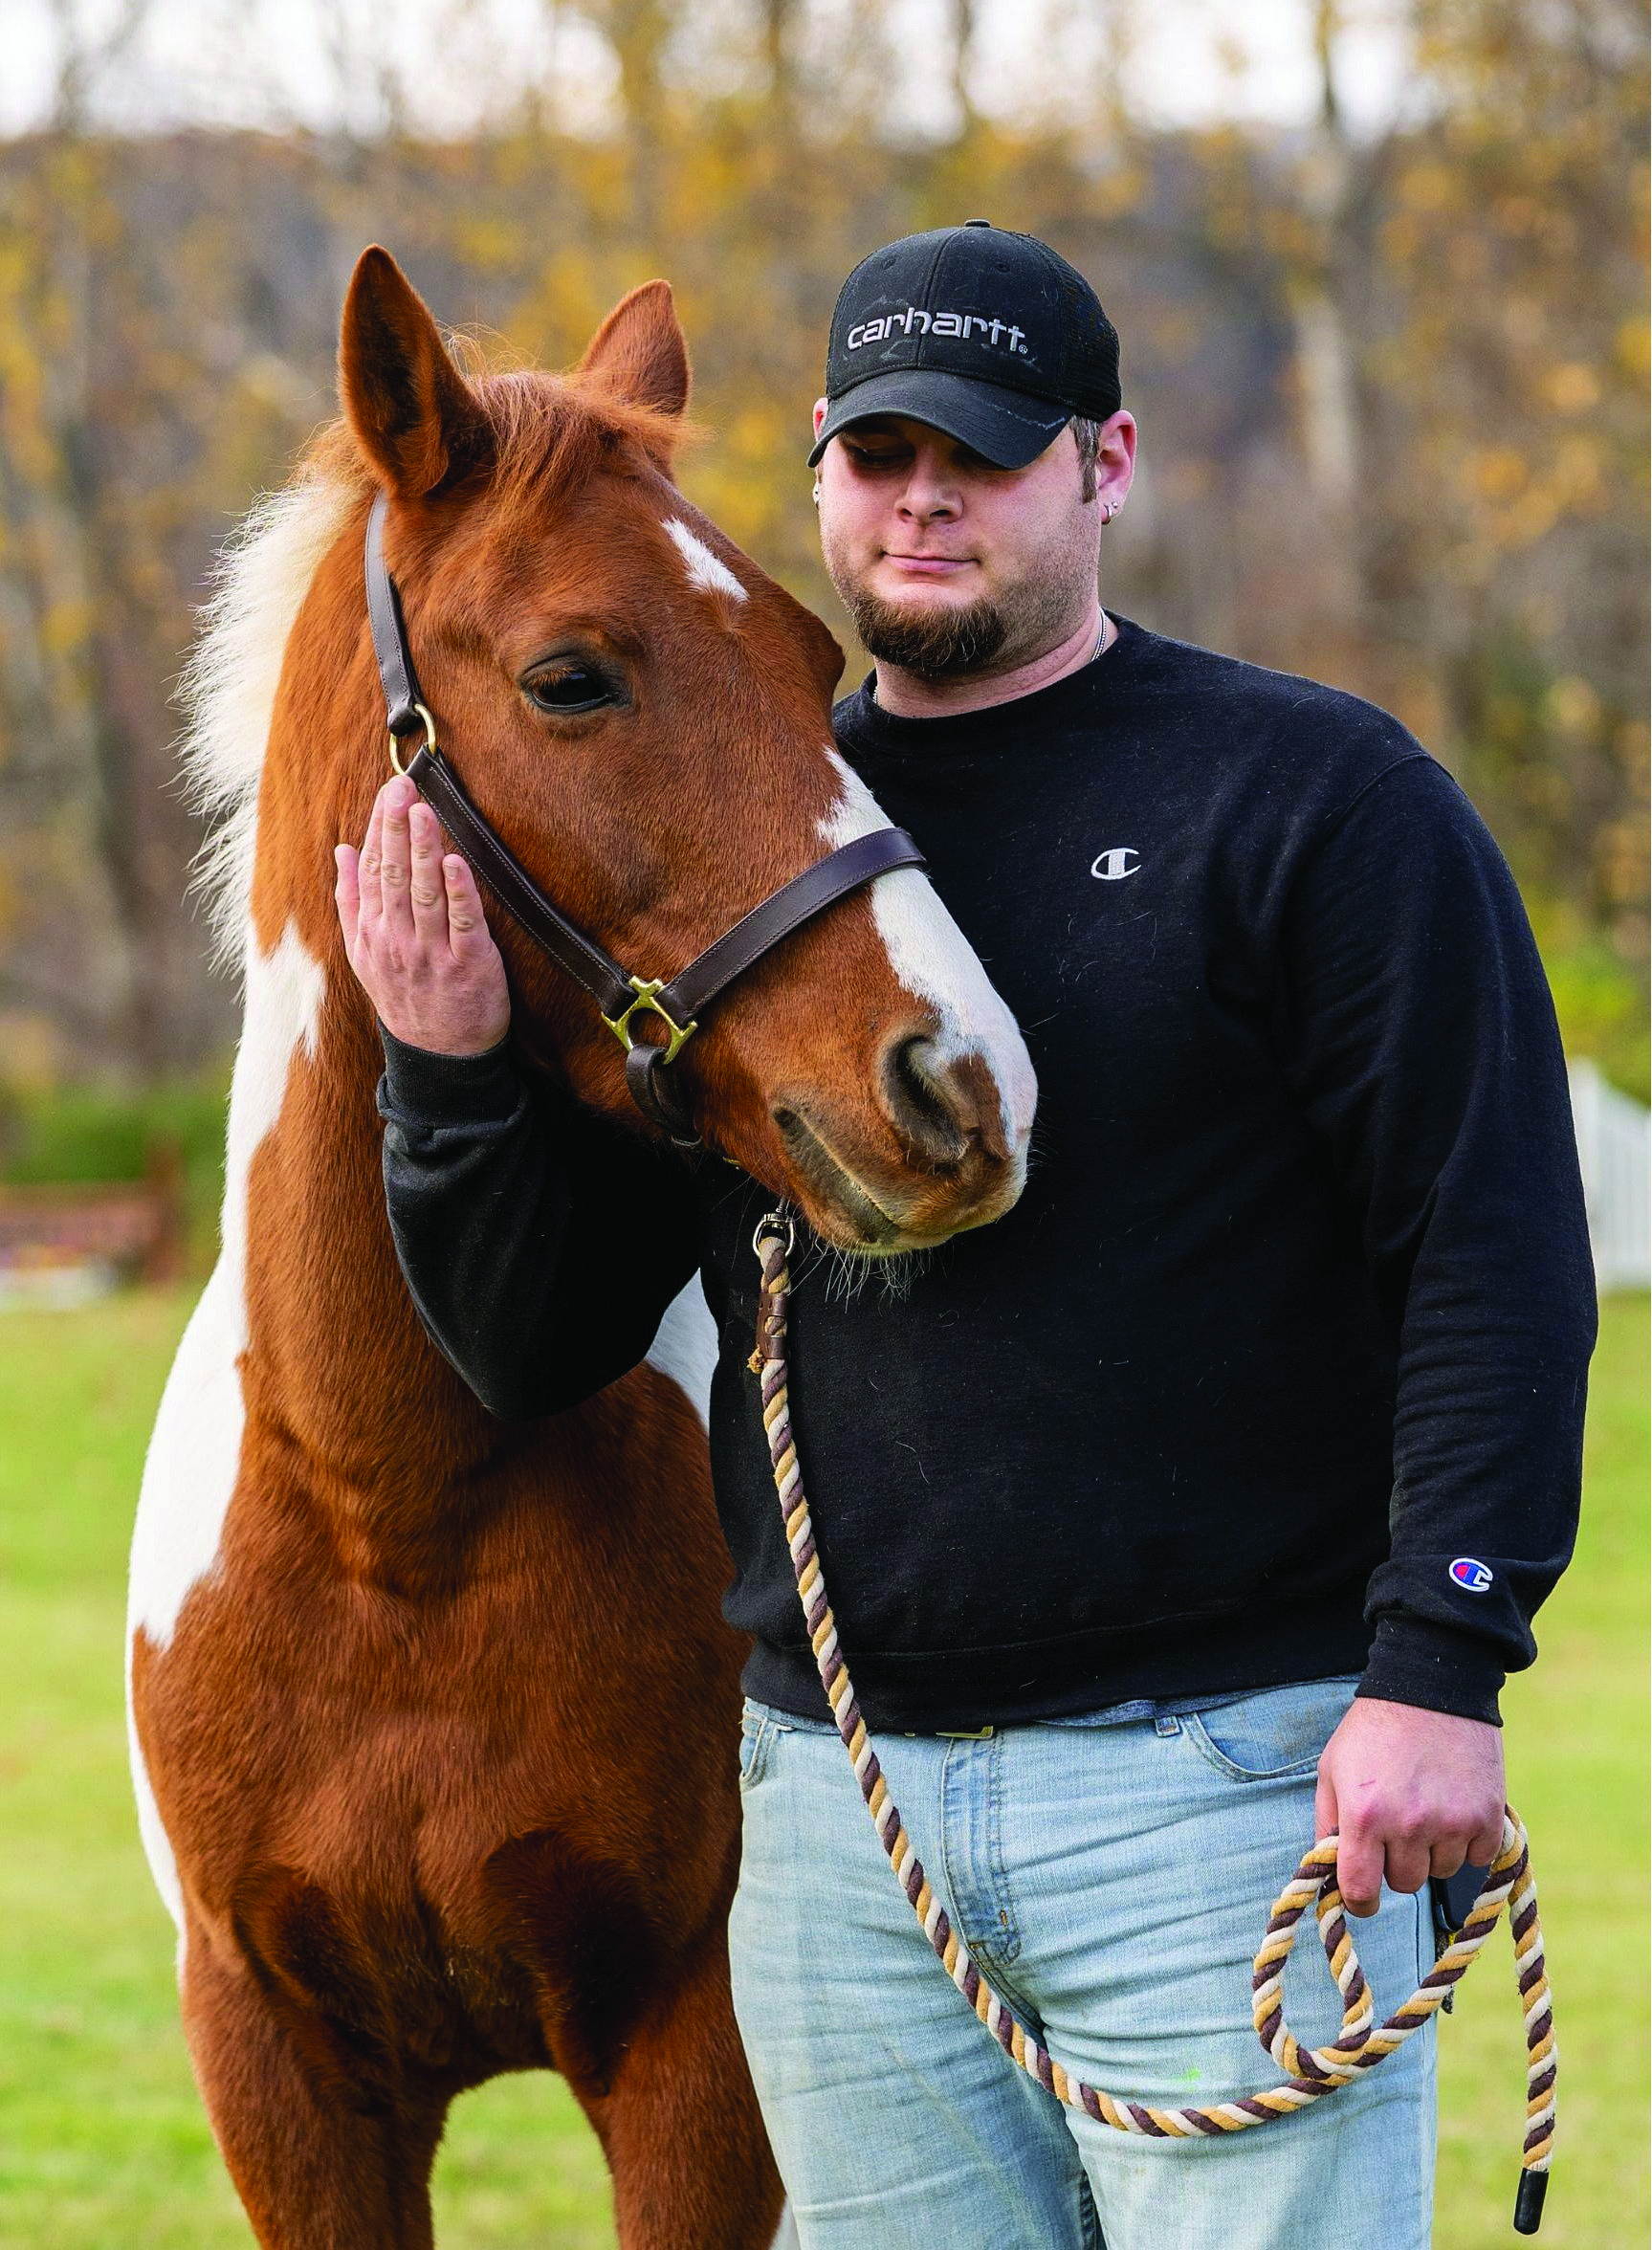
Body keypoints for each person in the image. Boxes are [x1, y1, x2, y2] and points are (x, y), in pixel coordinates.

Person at [334, 223, 1596, 2248]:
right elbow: (537, 1338)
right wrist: (453, 1068)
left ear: (1102, 469)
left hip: (1219, 1798)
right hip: (848, 1834)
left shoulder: (1313, 800)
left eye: (986, 455)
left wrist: (1440, 1666)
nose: (924, 496)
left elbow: (1488, 1256)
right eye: (878, 449)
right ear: (820, 476)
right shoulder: (759, 845)